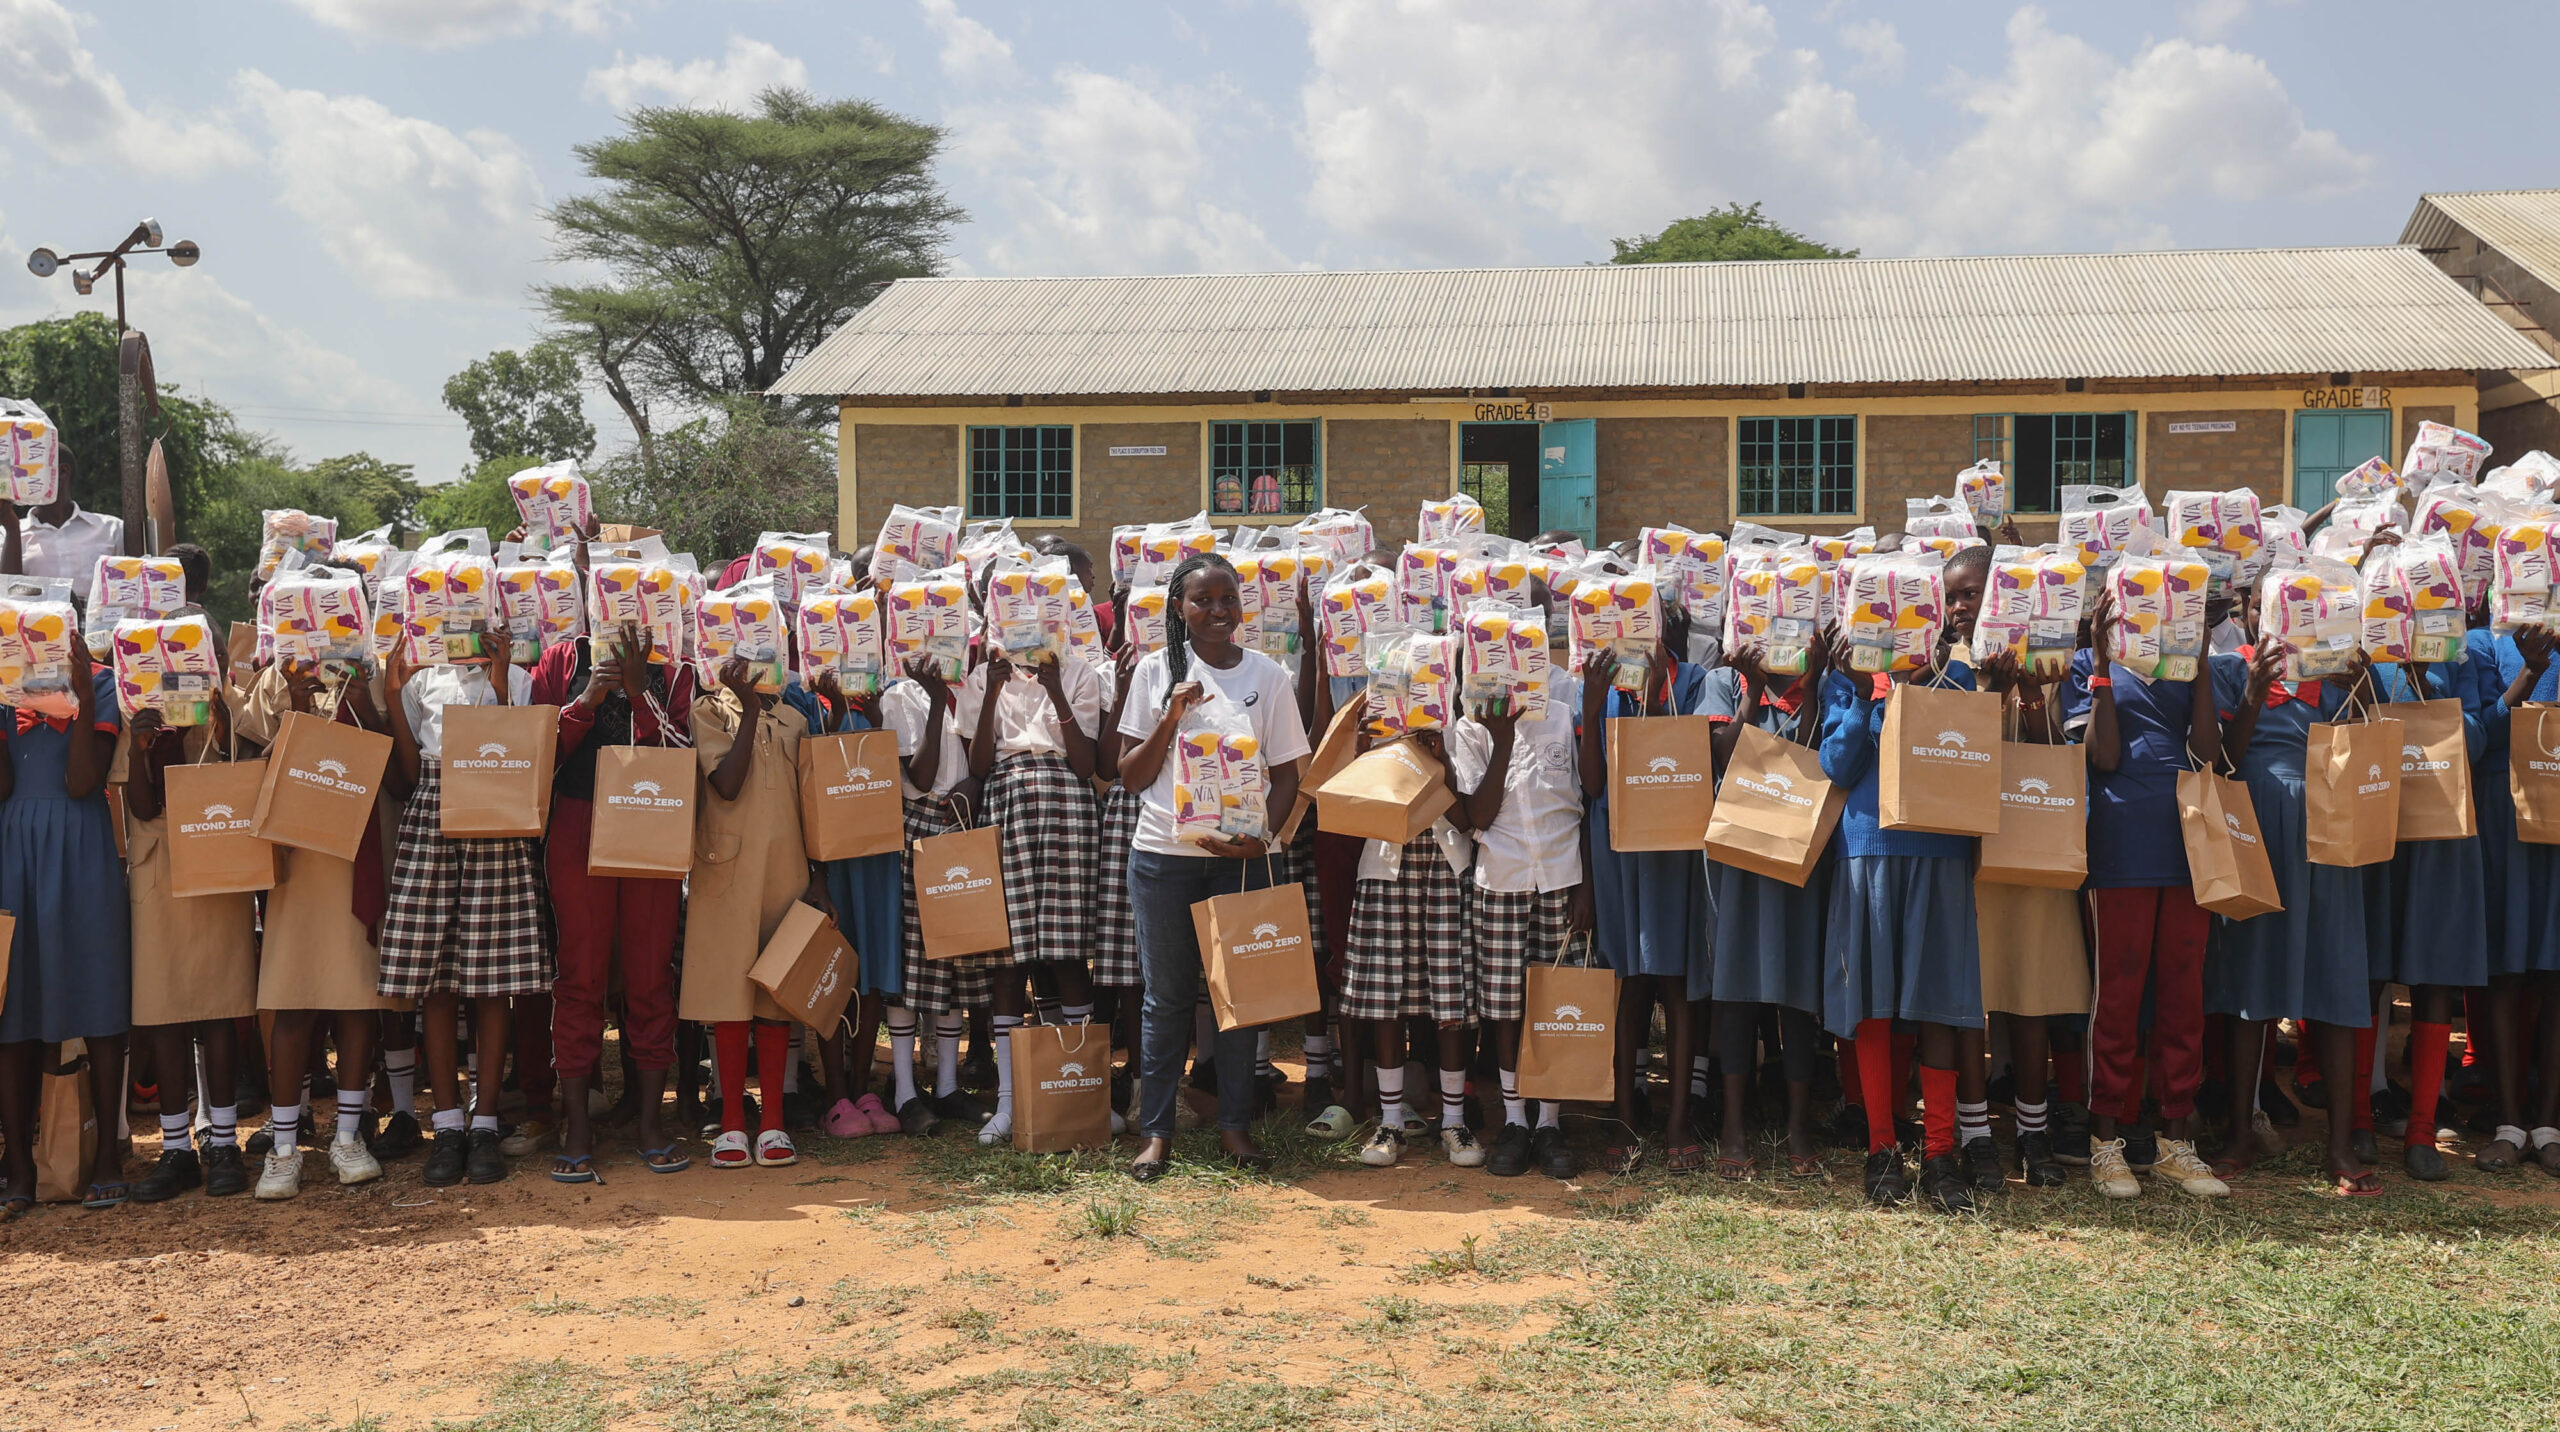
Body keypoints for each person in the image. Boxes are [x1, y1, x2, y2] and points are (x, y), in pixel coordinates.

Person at [1117, 553, 1308, 1181]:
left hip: (1242, 861)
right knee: (1167, 998)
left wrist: (1264, 838)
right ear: (1179, 607)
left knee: (1238, 999)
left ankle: (1234, 1127)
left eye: (1229, 599)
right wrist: (1171, 716)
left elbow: (1287, 774)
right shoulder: (1153, 672)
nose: (1218, 612)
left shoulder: (1269, 676)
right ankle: (1156, 1132)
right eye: (1203, 600)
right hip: (1164, 858)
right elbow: (1130, 776)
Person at [1818, 549, 1989, 1214]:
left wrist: (1923, 681)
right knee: (1874, 1003)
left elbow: (1964, 758)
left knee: (1939, 1002)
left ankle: (1941, 1153)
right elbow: (1837, 764)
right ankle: (1882, 1149)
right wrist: (1865, 691)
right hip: (1867, 848)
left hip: (1940, 849)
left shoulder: (1958, 674)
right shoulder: (1847, 679)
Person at [2060, 581, 2230, 1199]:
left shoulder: (2184, 665)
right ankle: (2105, 1139)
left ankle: (2175, 1141)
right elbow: (2102, 755)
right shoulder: (2087, 663)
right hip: (2120, 846)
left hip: (2186, 846)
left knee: (2183, 994)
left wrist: (2201, 657)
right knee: (2119, 996)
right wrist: (2103, 664)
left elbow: (2208, 752)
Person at [377, 635, 549, 1187]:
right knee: (437, 980)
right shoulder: (424, 676)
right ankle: (448, 1124)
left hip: (495, 816)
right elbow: (405, 774)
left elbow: (525, 762)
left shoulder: (519, 680)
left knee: (491, 981)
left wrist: (499, 689)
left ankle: (486, 1121)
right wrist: (393, 693)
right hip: (431, 813)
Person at [2208, 636, 2377, 1192]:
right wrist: (2254, 692)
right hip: (2254, 824)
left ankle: (2341, 1143)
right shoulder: (2231, 670)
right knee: (2248, 980)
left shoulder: (2332, 673)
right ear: (2256, 609)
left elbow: (2368, 744)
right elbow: (2222, 760)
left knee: (2335, 974)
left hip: (2329, 829)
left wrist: (2360, 684)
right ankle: (2239, 1133)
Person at [530, 620, 694, 1178]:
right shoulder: (562, 660)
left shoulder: (673, 666)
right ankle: (577, 1126)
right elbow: (538, 756)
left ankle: (651, 1123)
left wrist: (637, 689)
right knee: (580, 974)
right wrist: (590, 696)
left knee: (651, 972)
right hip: (578, 820)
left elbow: (683, 750)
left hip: (651, 814)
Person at [123, 543, 258, 1202]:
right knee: (167, 1009)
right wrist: (140, 741)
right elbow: (142, 805)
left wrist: (217, 703)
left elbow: (237, 761)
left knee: (218, 1007)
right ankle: (175, 1149)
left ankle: (223, 1142)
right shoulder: (131, 704)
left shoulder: (219, 696)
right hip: (160, 863)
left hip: (215, 848)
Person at [955, 627, 1105, 1146]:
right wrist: (995, 690)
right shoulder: (983, 678)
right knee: (1008, 956)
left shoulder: (1080, 672)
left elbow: (1086, 764)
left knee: (1066, 955)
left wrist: (1057, 687)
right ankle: (1009, 1103)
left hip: (1068, 810)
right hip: (1006, 807)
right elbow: (978, 765)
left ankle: (1082, 1098)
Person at [1447, 623, 1586, 1180]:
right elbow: (1477, 816)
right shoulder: (1470, 724)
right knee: (1505, 1005)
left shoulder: (1564, 702)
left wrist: (1587, 886)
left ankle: (1549, 1123)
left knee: (1553, 1001)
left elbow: (1587, 800)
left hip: (1560, 875)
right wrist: (1500, 737)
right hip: (1500, 876)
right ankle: (1515, 1119)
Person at [0, 619, 129, 1211]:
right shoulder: (5, 686)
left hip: (80, 847)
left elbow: (82, 782)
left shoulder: (102, 683)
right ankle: (19, 1166)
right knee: (14, 1002)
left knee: (98, 995)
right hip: (14, 847)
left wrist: (78, 689)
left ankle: (107, 1155)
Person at [682, 650, 828, 1170]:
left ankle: (772, 1123)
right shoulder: (708, 711)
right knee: (727, 991)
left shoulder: (795, 719)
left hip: (787, 870)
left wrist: (820, 878)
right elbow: (726, 783)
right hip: (725, 868)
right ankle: (730, 1125)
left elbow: (815, 805)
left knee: (775, 993)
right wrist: (741, 705)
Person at [1698, 633, 1833, 1181]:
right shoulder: (1721, 682)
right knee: (1735, 991)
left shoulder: (1820, 684)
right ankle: (1734, 1126)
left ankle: (1799, 1125)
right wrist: (1752, 689)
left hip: (1800, 855)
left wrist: (1818, 680)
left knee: (1798, 990)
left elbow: (1816, 759)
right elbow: (1724, 759)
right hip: (1738, 856)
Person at [1580, 635, 1707, 1176]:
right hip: (1616, 849)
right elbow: (1591, 783)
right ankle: (1626, 1116)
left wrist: (1656, 697)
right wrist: (1592, 697)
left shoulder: (1696, 680)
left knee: (1676, 985)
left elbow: (1683, 766)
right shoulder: (1602, 683)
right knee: (1627, 984)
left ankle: (1678, 1120)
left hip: (1674, 848)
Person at [2368, 647, 2486, 1181]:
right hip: (2376, 827)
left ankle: (2421, 1131)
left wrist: (2427, 687)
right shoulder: (2361, 650)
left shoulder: (2461, 655)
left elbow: (2479, 741)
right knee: (2369, 971)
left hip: (2439, 837)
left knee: (2434, 972)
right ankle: (2357, 1123)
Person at [1340, 719, 1477, 1171]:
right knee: (1385, 999)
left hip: (1447, 866)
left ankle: (1453, 1122)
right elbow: (1353, 813)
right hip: (1384, 868)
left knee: (1450, 998)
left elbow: (1467, 820)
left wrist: (1440, 762)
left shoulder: (1463, 730)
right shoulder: (1378, 729)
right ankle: (1392, 1120)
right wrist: (1363, 754)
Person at [880, 651, 991, 1134]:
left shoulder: (974, 689)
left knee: (957, 959)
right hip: (918, 825)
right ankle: (905, 1090)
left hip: (963, 825)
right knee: (912, 963)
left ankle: (947, 1086)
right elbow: (921, 776)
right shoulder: (897, 696)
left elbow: (981, 759)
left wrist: (973, 781)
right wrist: (932, 698)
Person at [809, 663, 904, 1139]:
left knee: (872, 976)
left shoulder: (879, 693)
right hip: (835, 859)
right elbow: (814, 776)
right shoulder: (808, 698)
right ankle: (836, 1097)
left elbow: (886, 764)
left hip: (879, 855)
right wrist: (817, 875)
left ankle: (864, 1091)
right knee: (835, 974)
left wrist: (872, 711)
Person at [2482, 627, 2560, 1172]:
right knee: (2507, 967)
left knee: (2557, 971)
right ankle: (2509, 1122)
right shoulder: (2483, 643)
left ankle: (2549, 1124)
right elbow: (2479, 731)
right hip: (2504, 811)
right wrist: (2529, 672)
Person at [2, 447, 123, 603]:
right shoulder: (6, 534)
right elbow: (7, 597)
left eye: (31, 470)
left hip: (101, 626)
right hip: (38, 625)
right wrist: (12, 529)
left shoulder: (112, 530)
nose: (21, 477)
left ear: (63, 472)